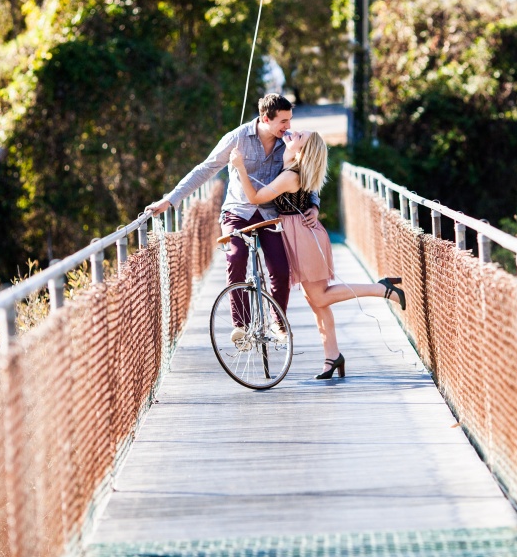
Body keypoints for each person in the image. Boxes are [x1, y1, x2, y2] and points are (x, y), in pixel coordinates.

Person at [230, 129, 406, 380]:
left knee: (320, 298)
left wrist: (239, 167)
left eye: (299, 136)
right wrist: (314, 205)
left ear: (302, 150)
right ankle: (332, 357)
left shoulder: (291, 176)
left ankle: (382, 289)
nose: (294, 133)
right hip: (300, 234)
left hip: (304, 237)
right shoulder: (291, 168)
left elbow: (255, 197)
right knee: (316, 302)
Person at [145, 94, 319, 337]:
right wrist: (170, 199)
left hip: (270, 213)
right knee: (236, 258)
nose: (288, 126)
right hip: (237, 212)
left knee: (280, 267)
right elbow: (205, 169)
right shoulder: (237, 138)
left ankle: (278, 322)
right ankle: (242, 325)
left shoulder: (287, 142)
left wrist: (314, 203)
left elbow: (308, 167)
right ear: (265, 118)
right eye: (283, 121)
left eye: (289, 120)